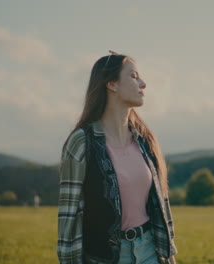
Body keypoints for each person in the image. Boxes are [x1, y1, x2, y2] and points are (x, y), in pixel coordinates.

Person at [57, 50, 178, 264]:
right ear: (111, 84)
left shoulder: (146, 140)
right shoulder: (81, 141)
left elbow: (161, 206)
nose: (143, 83)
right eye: (133, 76)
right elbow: (70, 215)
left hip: (150, 251)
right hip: (105, 258)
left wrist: (168, 258)